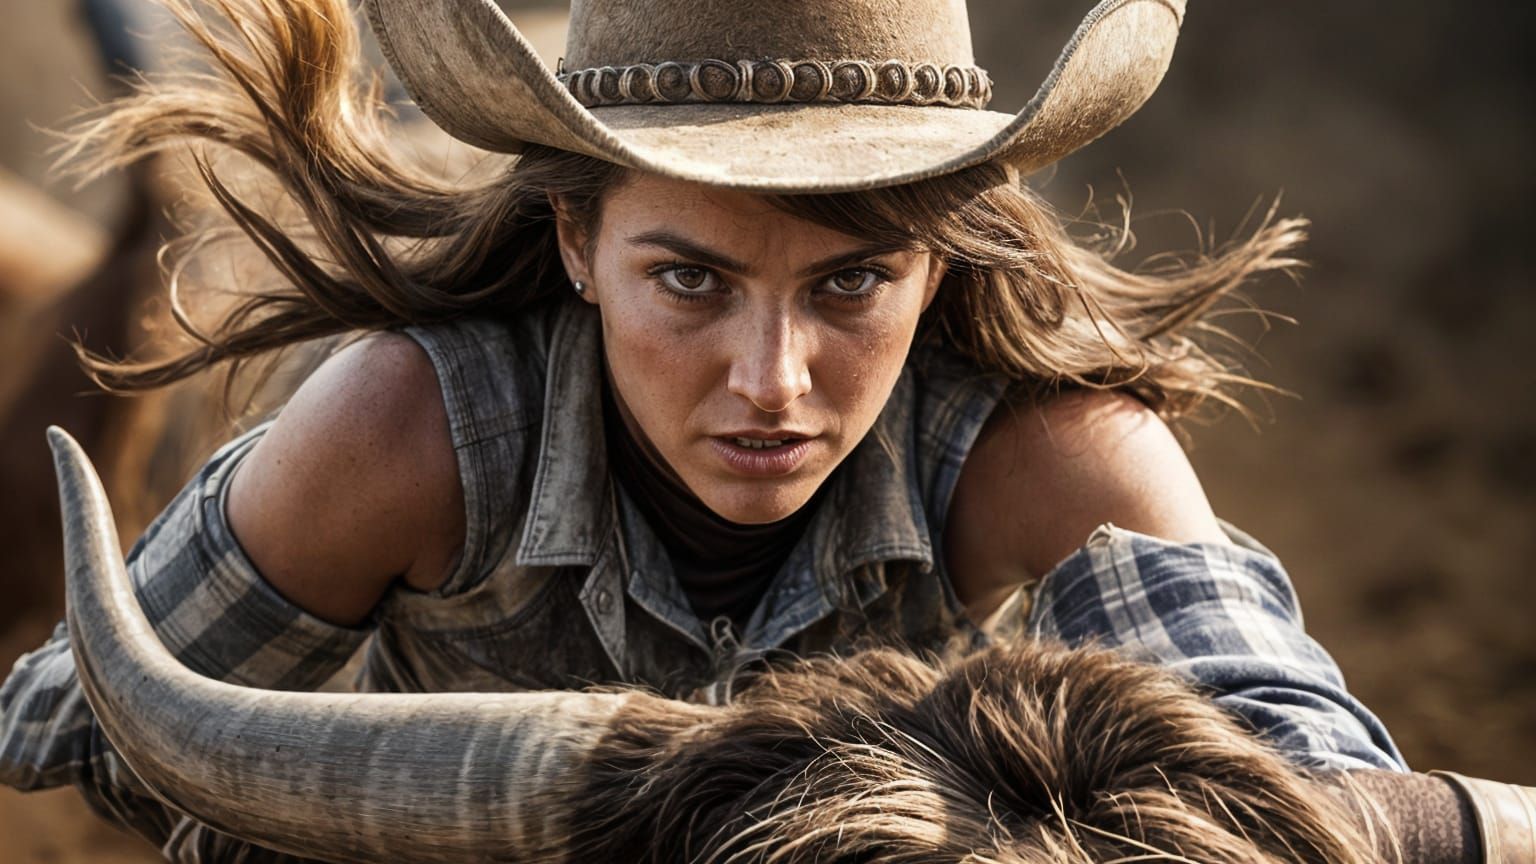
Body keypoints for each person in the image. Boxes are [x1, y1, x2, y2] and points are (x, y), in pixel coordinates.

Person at [2, 0, 1529, 860]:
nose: (774, 382)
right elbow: (81, 727)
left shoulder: (1053, 449)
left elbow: (1287, 762)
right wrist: (407, 798)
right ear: (573, 243)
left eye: (856, 280)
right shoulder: (410, 424)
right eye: (691, 281)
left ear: (944, 264)